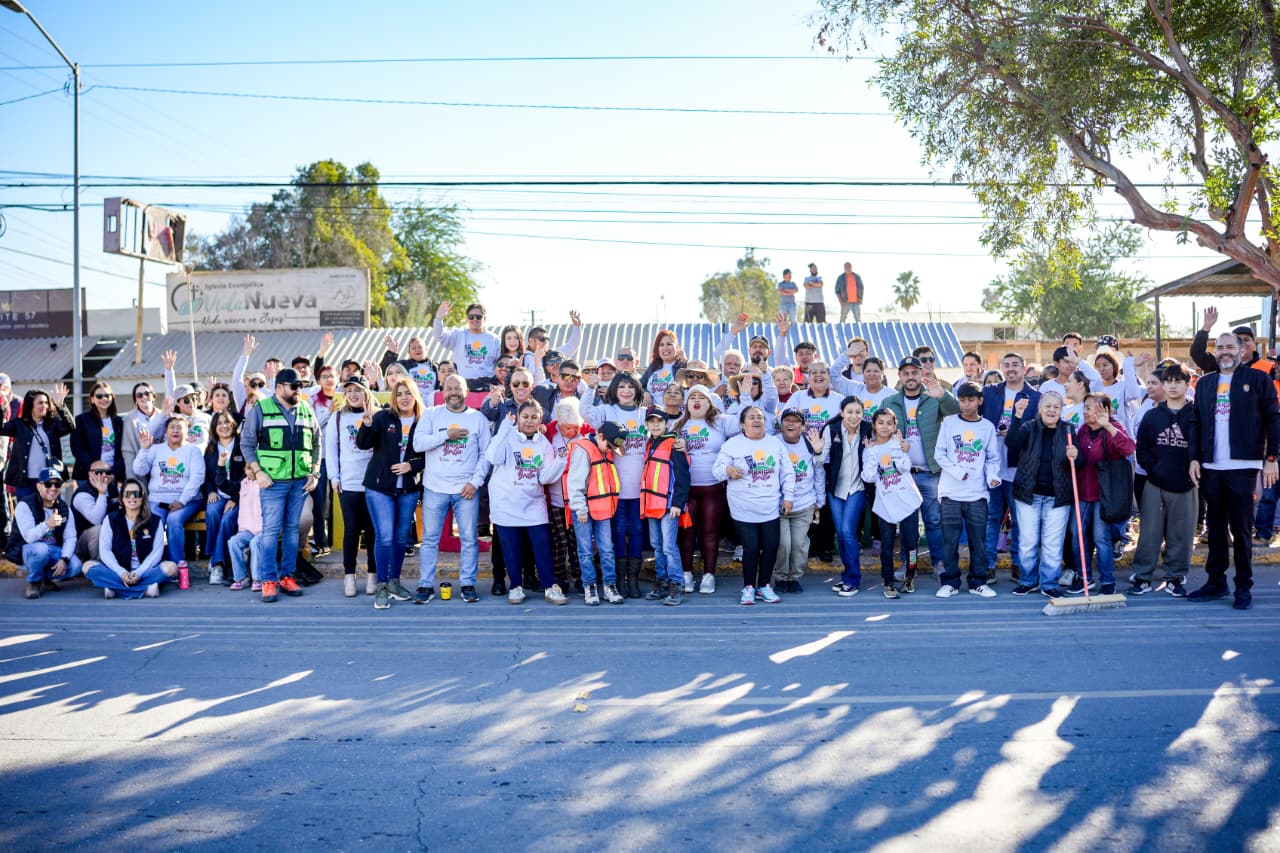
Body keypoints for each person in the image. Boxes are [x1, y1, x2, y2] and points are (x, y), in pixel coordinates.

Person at [1188, 333, 1280, 610]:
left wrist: (1272, 457)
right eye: (1220, 347)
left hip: (1244, 466)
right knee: (1214, 528)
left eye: (1230, 347)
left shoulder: (1257, 380)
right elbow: (1195, 423)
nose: (1225, 352)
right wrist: (1194, 459)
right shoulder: (1205, 384)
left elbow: (1273, 418)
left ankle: (1243, 587)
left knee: (1240, 530)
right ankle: (1216, 582)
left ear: (1242, 351)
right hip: (1211, 467)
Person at [241, 367, 322, 604]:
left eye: (301, 386)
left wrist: (315, 472)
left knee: (291, 532)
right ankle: (268, 579)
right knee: (270, 533)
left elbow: (317, 443)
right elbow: (246, 444)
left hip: (299, 482)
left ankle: (287, 576)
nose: (299, 390)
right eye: (294, 386)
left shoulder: (306, 410)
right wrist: (258, 472)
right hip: (273, 483)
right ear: (279, 387)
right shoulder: (261, 409)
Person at [414, 373, 491, 604]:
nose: (454, 392)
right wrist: (445, 435)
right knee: (429, 539)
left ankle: (468, 583)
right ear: (442, 391)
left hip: (465, 489)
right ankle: (425, 585)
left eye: (458, 388)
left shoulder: (477, 419)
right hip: (435, 488)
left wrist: (474, 482)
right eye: (449, 388)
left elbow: (486, 455)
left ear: (466, 391)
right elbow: (418, 444)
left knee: (469, 539)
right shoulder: (431, 415)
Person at [484, 399, 569, 605]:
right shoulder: (507, 436)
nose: (529, 421)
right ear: (518, 418)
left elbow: (544, 477)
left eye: (534, 417)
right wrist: (504, 427)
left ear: (540, 419)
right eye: (525, 417)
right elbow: (493, 456)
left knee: (542, 546)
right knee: (511, 549)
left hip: (533, 504)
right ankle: (515, 586)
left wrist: (560, 460)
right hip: (506, 503)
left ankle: (550, 587)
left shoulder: (544, 444)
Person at [882, 357, 958, 578]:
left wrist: (943, 395)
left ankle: (939, 563)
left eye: (914, 372)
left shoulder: (933, 398)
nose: (910, 377)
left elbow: (955, 413)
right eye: (905, 373)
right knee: (908, 524)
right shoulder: (890, 402)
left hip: (930, 473)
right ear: (900, 376)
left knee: (934, 521)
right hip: (903, 474)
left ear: (921, 373)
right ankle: (909, 565)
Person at [713, 406, 796, 605]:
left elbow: (787, 472)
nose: (757, 420)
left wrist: (788, 497)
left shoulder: (774, 444)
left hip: (769, 506)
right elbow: (716, 470)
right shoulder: (732, 444)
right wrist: (728, 470)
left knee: (771, 546)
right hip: (743, 507)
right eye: (751, 417)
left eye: (759, 417)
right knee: (751, 547)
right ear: (743, 424)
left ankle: (764, 586)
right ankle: (748, 587)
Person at [357, 375, 426, 610]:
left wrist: (412, 465)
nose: (404, 398)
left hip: (408, 488)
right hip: (380, 487)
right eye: (399, 394)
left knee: (399, 539)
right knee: (384, 537)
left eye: (408, 393)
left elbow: (430, 454)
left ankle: (395, 582)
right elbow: (363, 444)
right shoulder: (382, 417)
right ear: (394, 398)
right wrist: (366, 426)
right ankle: (382, 586)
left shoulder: (423, 420)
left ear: (415, 395)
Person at [1130, 363, 1198, 597]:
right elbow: (1143, 448)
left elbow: (1203, 447)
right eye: (1168, 381)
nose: (1172, 386)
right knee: (1149, 533)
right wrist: (1155, 471)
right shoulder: (1152, 416)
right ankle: (1142, 577)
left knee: (1181, 534)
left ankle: (1175, 577)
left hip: (1185, 485)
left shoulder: (1196, 415)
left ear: (1187, 384)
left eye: (1178, 381)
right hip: (1155, 484)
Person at [581, 371, 647, 597]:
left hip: (641, 486)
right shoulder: (607, 411)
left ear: (638, 390)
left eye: (631, 387)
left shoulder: (645, 414)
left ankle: (634, 579)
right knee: (618, 531)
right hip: (615, 486)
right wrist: (590, 388)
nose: (626, 391)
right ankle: (619, 578)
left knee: (637, 531)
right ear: (614, 390)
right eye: (622, 387)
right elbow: (585, 412)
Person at [934, 382, 1002, 598]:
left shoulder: (987, 427)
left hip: (977, 494)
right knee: (950, 541)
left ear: (980, 401)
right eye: (962, 400)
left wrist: (992, 477)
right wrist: (956, 472)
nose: (966, 404)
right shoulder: (949, 423)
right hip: (950, 492)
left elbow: (992, 458)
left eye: (971, 400)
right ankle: (951, 582)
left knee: (978, 542)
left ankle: (978, 582)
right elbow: (940, 454)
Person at [1064, 395, 1136, 596]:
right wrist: (1072, 455)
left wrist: (1109, 427)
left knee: (1101, 538)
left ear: (1103, 409)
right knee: (1078, 537)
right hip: (1082, 493)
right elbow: (1077, 460)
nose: (1085, 412)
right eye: (1084, 407)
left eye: (1089, 408)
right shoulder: (1083, 430)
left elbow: (1129, 448)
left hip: (1104, 496)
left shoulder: (1113, 427)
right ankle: (1085, 578)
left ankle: (1107, 581)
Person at [1006, 393, 1074, 598]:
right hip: (1028, 494)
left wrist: (1075, 456)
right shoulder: (1029, 427)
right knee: (1027, 541)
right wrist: (1017, 416)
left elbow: (1077, 465)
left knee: (1053, 543)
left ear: (1062, 410)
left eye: (1056, 407)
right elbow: (1012, 442)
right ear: (1040, 409)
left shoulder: (1069, 430)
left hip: (1058, 496)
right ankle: (1028, 581)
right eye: (1048, 406)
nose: (1052, 410)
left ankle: (1050, 583)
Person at [981, 352, 1040, 585]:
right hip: (993, 465)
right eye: (1007, 365)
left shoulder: (1035, 397)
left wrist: (1017, 432)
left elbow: (1038, 430)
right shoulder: (990, 392)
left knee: (1019, 519)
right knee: (992, 517)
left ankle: (1018, 564)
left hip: (1019, 467)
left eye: (1016, 364)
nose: (1011, 369)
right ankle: (988, 564)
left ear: (1024, 369)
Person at [676, 385, 733, 594]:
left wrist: (744, 394)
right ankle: (686, 573)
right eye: (693, 397)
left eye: (702, 397)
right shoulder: (678, 425)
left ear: (710, 403)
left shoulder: (720, 422)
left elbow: (745, 417)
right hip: (687, 489)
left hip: (713, 487)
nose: (697, 400)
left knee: (710, 533)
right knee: (687, 533)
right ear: (687, 403)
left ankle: (709, 574)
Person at [563, 421, 628, 605]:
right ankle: (589, 586)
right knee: (585, 551)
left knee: (607, 549)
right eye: (609, 446)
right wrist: (580, 508)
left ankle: (610, 585)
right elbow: (574, 483)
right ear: (600, 436)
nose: (610, 450)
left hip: (603, 507)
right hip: (583, 509)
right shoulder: (583, 450)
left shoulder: (606, 448)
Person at [861, 409, 924, 598]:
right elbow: (869, 477)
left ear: (895, 426)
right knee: (886, 545)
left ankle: (910, 577)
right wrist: (872, 453)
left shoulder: (900, 444)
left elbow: (904, 467)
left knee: (911, 543)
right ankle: (888, 582)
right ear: (873, 425)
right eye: (880, 422)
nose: (885, 427)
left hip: (908, 502)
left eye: (889, 423)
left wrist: (898, 448)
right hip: (885, 504)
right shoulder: (869, 449)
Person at [325, 375, 378, 597]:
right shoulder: (338, 418)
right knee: (352, 531)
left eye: (358, 390)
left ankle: (373, 575)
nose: (353, 394)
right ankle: (350, 576)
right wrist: (334, 478)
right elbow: (331, 450)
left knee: (374, 532)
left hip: (374, 484)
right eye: (349, 391)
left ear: (367, 392)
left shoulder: (378, 416)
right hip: (348, 483)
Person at [84, 479, 179, 599]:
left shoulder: (155, 521)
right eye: (128, 494)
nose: (132, 498)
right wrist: (121, 572)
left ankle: (115, 588)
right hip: (118, 572)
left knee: (171, 567)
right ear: (122, 498)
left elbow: (156, 553)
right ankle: (146, 589)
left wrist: (139, 573)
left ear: (142, 497)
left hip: (145, 572)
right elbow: (105, 551)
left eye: (136, 494)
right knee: (87, 566)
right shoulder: (111, 519)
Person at [133, 414, 205, 565]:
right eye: (172, 427)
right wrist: (144, 449)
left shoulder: (193, 451)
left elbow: (197, 478)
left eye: (180, 427)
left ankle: (177, 565)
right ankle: (152, 564)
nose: (175, 430)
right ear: (165, 431)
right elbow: (139, 470)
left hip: (187, 500)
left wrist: (182, 500)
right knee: (154, 522)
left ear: (187, 432)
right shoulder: (155, 449)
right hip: (158, 499)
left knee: (173, 521)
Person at [640, 406, 691, 605]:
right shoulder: (649, 444)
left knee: (669, 546)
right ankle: (661, 581)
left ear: (665, 423)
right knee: (657, 545)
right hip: (652, 504)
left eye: (659, 421)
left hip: (669, 505)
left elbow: (683, 476)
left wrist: (678, 503)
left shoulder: (673, 444)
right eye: (651, 422)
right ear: (647, 425)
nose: (655, 425)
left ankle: (676, 584)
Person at [773, 407, 826, 594]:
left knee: (798, 545)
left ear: (802, 426)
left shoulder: (809, 443)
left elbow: (818, 473)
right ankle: (780, 577)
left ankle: (794, 577)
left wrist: (819, 502)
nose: (790, 424)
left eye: (795, 421)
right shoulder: (773, 443)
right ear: (781, 424)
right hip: (779, 505)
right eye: (787, 420)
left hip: (804, 503)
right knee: (783, 544)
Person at [823, 397, 870, 596]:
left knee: (847, 531)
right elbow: (821, 458)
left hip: (857, 488)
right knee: (841, 534)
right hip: (836, 489)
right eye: (849, 412)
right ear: (842, 413)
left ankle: (853, 579)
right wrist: (817, 450)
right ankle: (847, 575)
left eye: (858, 412)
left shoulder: (868, 429)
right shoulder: (831, 429)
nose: (854, 416)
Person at [16, 466, 81, 599]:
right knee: (41, 549)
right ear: (39, 486)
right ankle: (34, 582)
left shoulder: (64, 508)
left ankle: (44, 577)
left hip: (53, 550)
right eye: (48, 484)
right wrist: (47, 525)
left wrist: (64, 559)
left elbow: (71, 537)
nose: (53, 488)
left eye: (57, 484)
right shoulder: (25, 505)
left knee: (75, 566)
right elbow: (29, 537)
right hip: (30, 550)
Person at [2, 386, 73, 501]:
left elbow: (70, 427)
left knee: (51, 513)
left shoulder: (52, 424)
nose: (44, 406)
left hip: (49, 482)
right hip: (25, 482)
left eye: (46, 402)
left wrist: (61, 406)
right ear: (31, 405)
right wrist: (3, 408)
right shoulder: (19, 425)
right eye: (40, 403)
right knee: (26, 514)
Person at [202, 412, 243, 585]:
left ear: (233, 424)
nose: (224, 426)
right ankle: (214, 554)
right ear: (214, 427)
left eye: (227, 422)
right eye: (219, 423)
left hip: (238, 496)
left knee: (227, 520)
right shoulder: (210, 448)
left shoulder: (242, 446)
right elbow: (205, 475)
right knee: (211, 512)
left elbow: (247, 476)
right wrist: (210, 491)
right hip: (218, 494)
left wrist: (236, 498)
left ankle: (217, 563)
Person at [432, 301, 502, 391]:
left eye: (479, 317)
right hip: (462, 386)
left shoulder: (495, 340)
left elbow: (500, 365)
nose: (475, 319)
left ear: (485, 318)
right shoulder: (458, 335)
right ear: (466, 319)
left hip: (487, 386)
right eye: (471, 317)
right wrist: (438, 319)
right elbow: (439, 336)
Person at [71, 381, 125, 484]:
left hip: (111, 475)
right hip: (87, 475)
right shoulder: (81, 420)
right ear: (92, 399)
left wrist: (114, 474)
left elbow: (122, 451)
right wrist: (93, 466)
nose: (103, 399)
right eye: (99, 396)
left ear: (112, 397)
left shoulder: (119, 422)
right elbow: (77, 448)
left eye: (107, 395)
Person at [70, 461, 119, 567]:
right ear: (90, 474)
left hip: (109, 538)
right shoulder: (82, 494)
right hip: (82, 544)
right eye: (99, 472)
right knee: (99, 530)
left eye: (108, 472)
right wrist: (102, 493)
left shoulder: (114, 488)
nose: (104, 475)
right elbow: (96, 519)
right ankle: (99, 567)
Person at [379, 332, 440, 402]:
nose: (417, 349)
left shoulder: (436, 367)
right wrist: (392, 353)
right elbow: (385, 370)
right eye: (413, 348)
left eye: (420, 347)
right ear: (409, 353)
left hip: (432, 404)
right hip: (410, 403)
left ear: (426, 349)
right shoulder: (403, 365)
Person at [120, 383, 159, 486]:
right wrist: (131, 480)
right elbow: (128, 451)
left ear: (153, 396)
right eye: (139, 395)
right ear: (135, 399)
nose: (144, 397)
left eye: (147, 393)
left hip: (162, 468)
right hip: (141, 467)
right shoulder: (129, 419)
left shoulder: (163, 416)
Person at [640, 329, 688, 402]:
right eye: (661, 345)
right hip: (653, 412)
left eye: (669, 344)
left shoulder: (682, 365)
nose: (665, 348)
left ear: (676, 346)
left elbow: (693, 383)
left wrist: (685, 362)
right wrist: (645, 393)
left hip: (674, 411)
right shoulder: (653, 366)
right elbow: (639, 385)